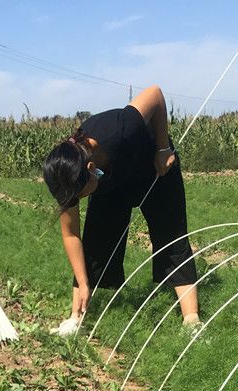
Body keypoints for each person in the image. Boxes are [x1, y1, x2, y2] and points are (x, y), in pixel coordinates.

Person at [43, 85, 200, 336]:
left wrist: (162, 149)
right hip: (112, 179)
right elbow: (71, 234)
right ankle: (75, 319)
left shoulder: (121, 127)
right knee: (97, 240)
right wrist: (83, 282)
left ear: (92, 167)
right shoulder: (66, 174)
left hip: (153, 164)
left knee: (170, 234)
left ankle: (191, 321)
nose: (79, 200)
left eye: (82, 195)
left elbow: (155, 94)